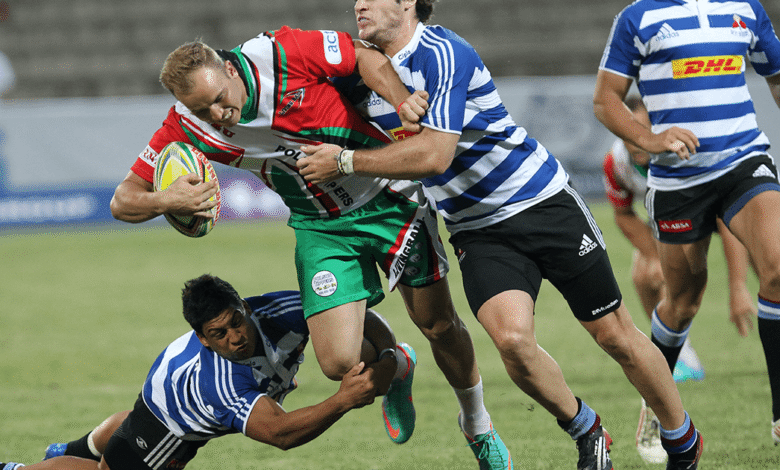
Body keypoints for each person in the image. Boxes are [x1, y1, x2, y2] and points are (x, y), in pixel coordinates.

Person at [296, 1, 702, 468]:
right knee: (512, 343)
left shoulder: (442, 52)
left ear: (408, 1)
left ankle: (682, 442)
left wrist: (345, 162)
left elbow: (435, 156)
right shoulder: (357, 70)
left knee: (614, 335)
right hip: (476, 229)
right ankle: (586, 428)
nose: (359, 3)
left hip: (541, 203)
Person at [109, 28, 511, 468]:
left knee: (437, 325)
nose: (219, 114)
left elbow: (360, 55)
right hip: (320, 226)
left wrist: (399, 100)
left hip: (388, 196)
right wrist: (165, 200)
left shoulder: (278, 52)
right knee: (340, 363)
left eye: (221, 98)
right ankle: (399, 367)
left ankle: (478, 426)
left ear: (228, 67)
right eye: (203, 109)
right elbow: (123, 200)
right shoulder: (185, 124)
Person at [593, 0, 780, 449]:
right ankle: (659, 404)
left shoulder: (747, 9)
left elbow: (776, 77)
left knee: (777, 267)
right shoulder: (638, 17)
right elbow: (604, 100)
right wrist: (649, 138)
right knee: (682, 303)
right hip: (679, 180)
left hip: (744, 160)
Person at [0, 274, 389, 470]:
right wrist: (341, 400)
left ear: (245, 307)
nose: (234, 338)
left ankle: (73, 449)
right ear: (203, 339)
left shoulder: (283, 309)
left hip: (165, 387)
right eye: (218, 334)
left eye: (236, 322)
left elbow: (350, 314)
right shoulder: (219, 380)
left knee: (128, 430)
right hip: (172, 418)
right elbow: (279, 434)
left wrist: (390, 353)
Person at [604, 95, 758, 463]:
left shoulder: (685, 145)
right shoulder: (617, 163)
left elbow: (728, 222)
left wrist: (738, 289)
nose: (635, 142)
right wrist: (655, 255)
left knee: (771, 268)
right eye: (628, 134)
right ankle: (680, 359)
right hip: (680, 223)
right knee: (645, 273)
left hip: (728, 205)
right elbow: (623, 215)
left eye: (642, 132)